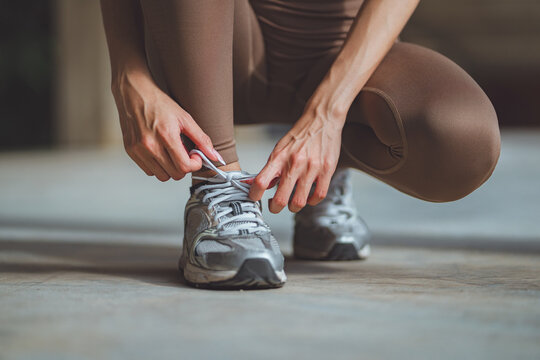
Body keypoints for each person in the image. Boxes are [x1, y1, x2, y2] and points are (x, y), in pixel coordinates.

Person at [99, 0, 501, 289]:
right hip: (209, 45)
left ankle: (318, 177)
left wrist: (329, 114)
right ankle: (217, 190)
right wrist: (126, 73)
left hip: (341, 55)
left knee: (464, 139)